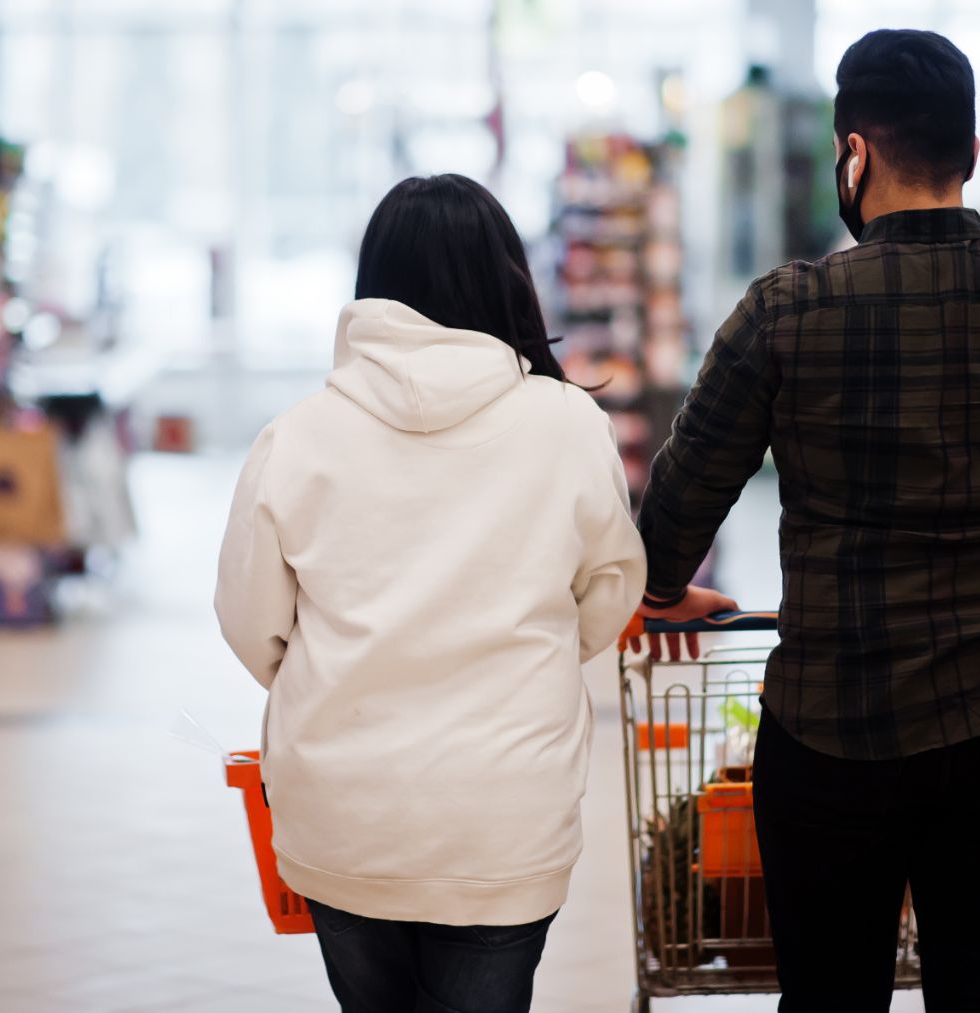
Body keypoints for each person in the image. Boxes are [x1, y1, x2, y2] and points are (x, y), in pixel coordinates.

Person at [636, 29, 980, 1013]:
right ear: (968, 154)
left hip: (836, 731)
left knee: (831, 998)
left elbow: (676, 511)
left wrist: (660, 590)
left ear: (856, 153)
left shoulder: (784, 312)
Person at [214, 174, 646, 1013]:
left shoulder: (298, 435)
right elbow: (607, 590)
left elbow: (250, 621)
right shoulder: (566, 424)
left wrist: (337, 679)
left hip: (344, 811)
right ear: (505, 277)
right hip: (505, 814)